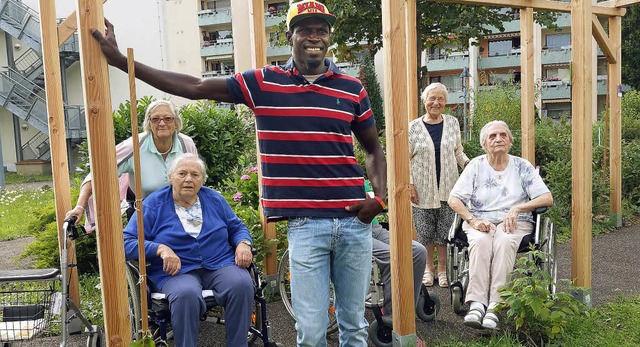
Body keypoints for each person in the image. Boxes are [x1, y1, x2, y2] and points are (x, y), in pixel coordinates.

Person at [90, 1, 387, 345]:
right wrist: (122, 63)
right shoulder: (263, 83)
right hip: (307, 226)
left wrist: (378, 199)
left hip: (354, 222)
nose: (314, 37)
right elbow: (196, 87)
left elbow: (373, 150)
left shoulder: (352, 89)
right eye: (305, 29)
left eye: (321, 30)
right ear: (290, 36)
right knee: (311, 330)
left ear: (329, 38)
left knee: (354, 326)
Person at [123, 153, 254, 347]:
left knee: (242, 284)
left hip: (218, 263)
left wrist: (244, 243)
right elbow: (126, 241)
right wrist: (160, 249)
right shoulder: (153, 204)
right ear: (170, 177)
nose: (188, 179)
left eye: (195, 174)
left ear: (202, 180)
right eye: (182, 173)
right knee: (186, 294)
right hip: (177, 271)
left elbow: (237, 227)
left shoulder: (214, 199)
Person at [447, 120, 553, 330]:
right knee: (480, 242)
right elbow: (454, 199)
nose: (498, 139)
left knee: (504, 242)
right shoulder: (475, 166)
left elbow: (546, 197)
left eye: (503, 135)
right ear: (484, 144)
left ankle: (495, 304)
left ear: (510, 141)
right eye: (492, 136)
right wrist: (473, 220)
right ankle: (477, 304)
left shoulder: (522, 166)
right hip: (480, 222)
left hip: (514, 223)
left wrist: (518, 209)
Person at [65, 99, 198, 231]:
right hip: (145, 214)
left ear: (176, 122)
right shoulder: (134, 145)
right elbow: (98, 173)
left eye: (168, 118)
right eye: (155, 119)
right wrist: (79, 206)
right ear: (149, 123)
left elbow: (197, 178)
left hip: (180, 211)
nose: (162, 123)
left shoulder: (186, 144)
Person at [409, 82, 469, 288]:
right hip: (421, 189)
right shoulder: (414, 128)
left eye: (440, 99)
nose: (436, 102)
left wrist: (470, 166)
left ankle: (442, 270)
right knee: (425, 232)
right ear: (424, 101)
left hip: (448, 187)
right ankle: (428, 269)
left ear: (445, 102)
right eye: (432, 98)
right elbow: (404, 159)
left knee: (444, 232)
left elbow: (458, 151)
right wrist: (409, 184)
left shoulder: (452, 123)